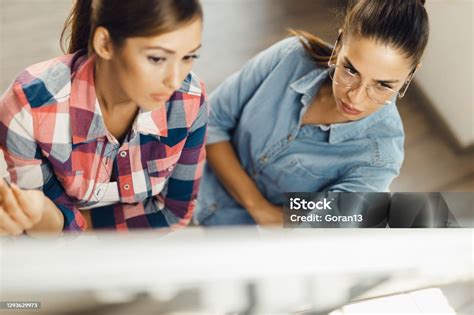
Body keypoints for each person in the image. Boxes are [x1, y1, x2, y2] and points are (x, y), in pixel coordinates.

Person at [195, 0, 429, 226]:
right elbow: (212, 120)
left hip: (231, 240)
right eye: (350, 70)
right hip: (187, 180)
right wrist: (258, 207)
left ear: (409, 76)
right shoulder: (291, 56)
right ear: (339, 42)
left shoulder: (379, 160)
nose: (355, 98)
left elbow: (310, 226)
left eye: (383, 85)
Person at [0, 0, 207, 237]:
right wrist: (37, 213)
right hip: (57, 252)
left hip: (146, 247)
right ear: (105, 43)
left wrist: (76, 224)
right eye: (157, 59)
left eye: (188, 57)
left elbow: (174, 212)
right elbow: (45, 224)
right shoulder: (29, 107)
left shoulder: (190, 99)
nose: (174, 80)